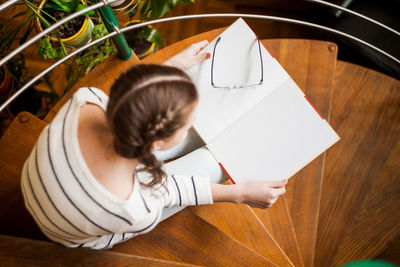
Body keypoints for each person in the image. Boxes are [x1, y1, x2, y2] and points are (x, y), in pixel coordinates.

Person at [20, 40, 287, 249]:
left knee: (204, 152)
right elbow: (174, 191)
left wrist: (171, 67)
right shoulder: (134, 209)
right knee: (211, 161)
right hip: (89, 223)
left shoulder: (86, 100)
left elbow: (127, 100)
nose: (190, 125)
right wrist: (239, 194)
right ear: (156, 144)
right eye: (186, 125)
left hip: (49, 183)